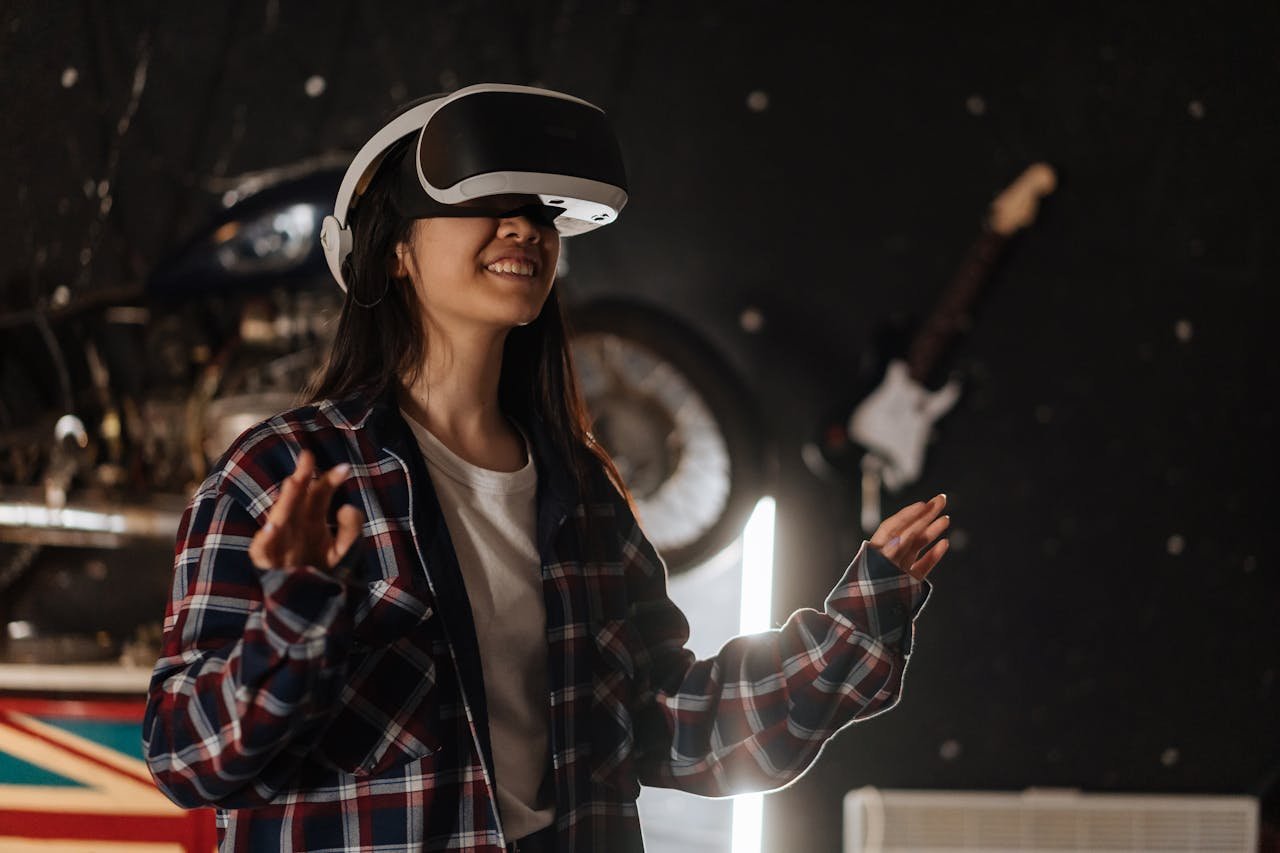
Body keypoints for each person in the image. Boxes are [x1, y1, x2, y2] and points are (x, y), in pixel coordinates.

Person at [142, 84, 948, 853]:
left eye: (538, 214)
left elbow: (676, 724)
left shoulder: (581, 493)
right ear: (394, 253)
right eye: (486, 206)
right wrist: (297, 613)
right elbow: (187, 755)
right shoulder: (287, 471)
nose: (524, 228)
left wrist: (854, 629)